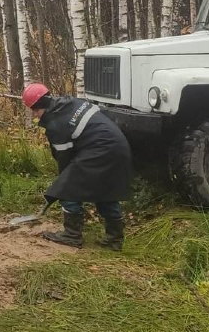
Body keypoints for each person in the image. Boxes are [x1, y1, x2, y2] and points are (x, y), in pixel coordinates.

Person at [22, 83, 131, 251]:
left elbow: (64, 160)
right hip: (119, 146)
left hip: (100, 149)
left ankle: (72, 235)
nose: (35, 115)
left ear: (37, 108)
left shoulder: (56, 124)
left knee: (68, 187)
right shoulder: (70, 102)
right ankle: (114, 240)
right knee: (105, 190)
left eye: (34, 110)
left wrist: (61, 185)